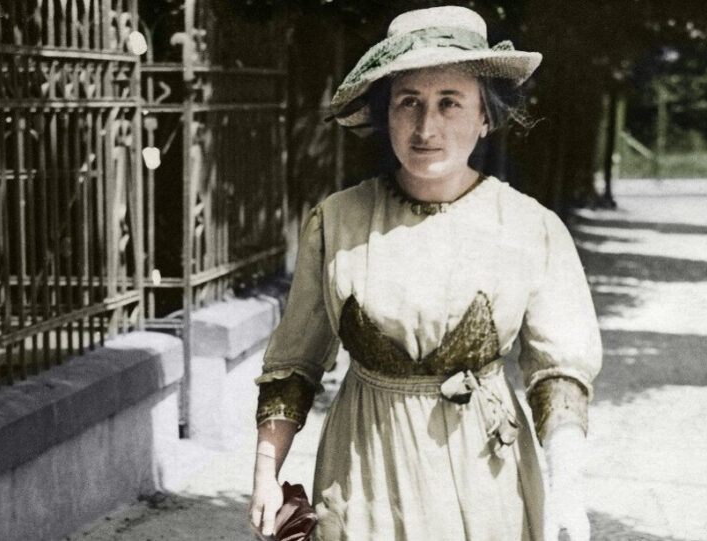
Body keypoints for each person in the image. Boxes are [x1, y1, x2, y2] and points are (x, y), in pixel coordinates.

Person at [248, 6, 602, 540]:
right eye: (408, 102)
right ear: (385, 113)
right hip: (364, 478)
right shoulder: (337, 222)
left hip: (486, 481)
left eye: (449, 102)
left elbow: (559, 373)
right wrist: (264, 474)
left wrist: (568, 492)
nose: (426, 127)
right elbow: (293, 365)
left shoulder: (530, 228)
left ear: (485, 116)